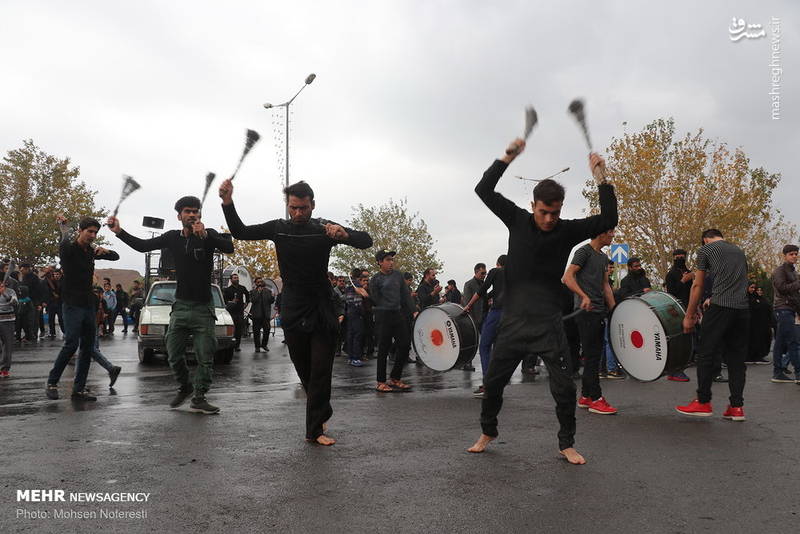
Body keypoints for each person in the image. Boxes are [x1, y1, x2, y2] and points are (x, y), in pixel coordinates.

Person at [467, 138, 617, 465]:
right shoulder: (517, 220)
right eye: (544, 212)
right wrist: (507, 157)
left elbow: (608, 219)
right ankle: (487, 431)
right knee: (493, 384)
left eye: (555, 212)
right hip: (514, 321)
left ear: (561, 208)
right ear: (534, 205)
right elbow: (483, 189)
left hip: (549, 324)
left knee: (564, 389)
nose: (549, 219)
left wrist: (602, 179)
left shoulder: (565, 231)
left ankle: (567, 444)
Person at [220, 178, 372, 445]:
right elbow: (240, 231)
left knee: (321, 369)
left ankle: (314, 430)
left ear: (312, 205)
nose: (298, 213)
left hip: (322, 306)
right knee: (304, 370)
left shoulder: (323, 229)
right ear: (288, 206)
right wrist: (228, 202)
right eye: (293, 208)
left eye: (303, 207)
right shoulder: (279, 229)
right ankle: (322, 409)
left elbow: (366, 241)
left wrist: (344, 234)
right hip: (293, 306)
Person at [108, 196, 234, 414]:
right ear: (179, 216)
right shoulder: (172, 238)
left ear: (200, 215)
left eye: (196, 211)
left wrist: (205, 235)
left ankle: (199, 396)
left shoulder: (209, 235)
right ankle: (185, 386)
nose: (192, 214)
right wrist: (120, 232)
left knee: (205, 357)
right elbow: (142, 246)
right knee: (173, 353)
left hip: (204, 309)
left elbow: (229, 247)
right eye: (187, 211)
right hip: (181, 307)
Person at [678, 229, 749, 421]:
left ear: (705, 240)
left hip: (720, 308)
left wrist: (690, 314)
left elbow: (698, 285)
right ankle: (736, 407)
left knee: (706, 354)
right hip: (742, 309)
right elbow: (739, 282)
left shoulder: (706, 250)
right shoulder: (739, 251)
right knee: (736, 359)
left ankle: (703, 401)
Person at [46, 216, 120, 401]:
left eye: (95, 232)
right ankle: (52, 382)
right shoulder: (69, 249)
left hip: (88, 304)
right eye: (90, 231)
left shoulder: (91, 251)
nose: (93, 235)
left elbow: (115, 256)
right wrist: (63, 227)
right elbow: (63, 239)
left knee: (87, 347)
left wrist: (105, 250)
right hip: (71, 303)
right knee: (71, 343)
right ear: (80, 231)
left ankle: (78, 389)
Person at [563, 228, 618, 415]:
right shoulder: (583, 252)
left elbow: (605, 286)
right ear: (600, 233)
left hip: (599, 311)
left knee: (594, 355)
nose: (612, 235)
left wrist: (616, 310)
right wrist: (583, 296)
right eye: (610, 232)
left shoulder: (602, 258)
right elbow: (567, 277)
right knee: (593, 356)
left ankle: (586, 396)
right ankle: (596, 398)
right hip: (585, 311)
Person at [370, 250, 417, 392]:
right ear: (380, 262)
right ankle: (380, 382)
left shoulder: (398, 275)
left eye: (392, 260)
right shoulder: (375, 279)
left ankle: (395, 378)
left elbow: (405, 295)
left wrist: (414, 310)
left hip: (397, 314)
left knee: (404, 345)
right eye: (388, 260)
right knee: (383, 348)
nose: (391, 262)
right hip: (383, 316)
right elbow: (376, 300)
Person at [464, 254, 506, 398]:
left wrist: (468, 305)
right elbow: (492, 293)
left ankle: (488, 385)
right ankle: (496, 384)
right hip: (511, 314)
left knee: (484, 346)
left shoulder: (496, 271)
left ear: (498, 264)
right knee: (498, 349)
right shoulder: (513, 275)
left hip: (497, 313)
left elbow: (482, 291)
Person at [769, 244, 800, 382]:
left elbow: (795, 294)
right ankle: (798, 374)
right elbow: (782, 288)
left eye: (796, 254)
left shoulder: (793, 272)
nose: (794, 256)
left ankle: (778, 373)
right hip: (783, 308)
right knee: (793, 342)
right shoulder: (779, 271)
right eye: (791, 254)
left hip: (791, 309)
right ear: (785, 255)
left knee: (780, 342)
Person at [663, 249, 694, 381]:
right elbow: (672, 293)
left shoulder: (688, 272)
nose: (680, 258)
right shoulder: (671, 274)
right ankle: (675, 371)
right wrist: (683, 280)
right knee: (679, 340)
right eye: (677, 257)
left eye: (682, 256)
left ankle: (682, 366)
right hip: (676, 310)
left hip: (689, 308)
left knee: (688, 340)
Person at [344, 268, 369, 367]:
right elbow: (365, 294)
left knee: (351, 335)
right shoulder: (356, 284)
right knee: (358, 335)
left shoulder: (348, 285)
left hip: (349, 311)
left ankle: (350, 357)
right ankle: (356, 358)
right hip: (356, 311)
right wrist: (364, 291)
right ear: (359, 276)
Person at [746, 283, 773, 364]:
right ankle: (753, 357)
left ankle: (757, 356)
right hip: (752, 324)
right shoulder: (747, 298)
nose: (753, 290)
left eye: (755, 288)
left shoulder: (759, 298)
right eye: (752, 287)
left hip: (761, 324)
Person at [223, 273, 249, 352]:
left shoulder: (242, 288)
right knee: (232, 330)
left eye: (237, 278)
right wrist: (231, 302)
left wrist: (246, 303)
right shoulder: (227, 290)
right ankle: (230, 346)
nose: (236, 279)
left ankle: (237, 346)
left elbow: (247, 295)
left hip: (240, 312)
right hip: (231, 313)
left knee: (239, 330)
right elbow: (225, 301)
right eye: (234, 278)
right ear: (231, 280)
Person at [250, 277, 275, 352]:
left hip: (265, 315)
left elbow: (270, 301)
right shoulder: (252, 292)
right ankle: (257, 347)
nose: (260, 283)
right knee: (256, 332)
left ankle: (264, 345)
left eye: (261, 282)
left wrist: (273, 297)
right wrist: (258, 293)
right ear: (255, 283)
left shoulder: (268, 291)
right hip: (256, 315)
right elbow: (253, 301)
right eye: (258, 282)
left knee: (267, 330)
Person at [0, 278, 18, 377]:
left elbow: (14, 303)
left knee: (7, 345)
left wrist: (4, 294)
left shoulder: (11, 291)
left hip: (7, 321)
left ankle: (5, 368)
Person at [462, 263, 487, 331]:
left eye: (485, 273)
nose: (484, 275)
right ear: (476, 272)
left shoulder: (484, 284)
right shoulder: (468, 284)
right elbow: (467, 303)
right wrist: (472, 321)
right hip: (475, 320)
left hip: (485, 317)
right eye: (482, 273)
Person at [44, 268, 64, 338]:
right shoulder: (50, 282)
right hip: (51, 303)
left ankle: (64, 332)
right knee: (51, 319)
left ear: (61, 275)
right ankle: (52, 333)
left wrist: (59, 296)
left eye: (57, 274)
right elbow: (47, 291)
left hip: (60, 303)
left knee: (61, 319)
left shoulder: (64, 282)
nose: (56, 276)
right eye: (55, 274)